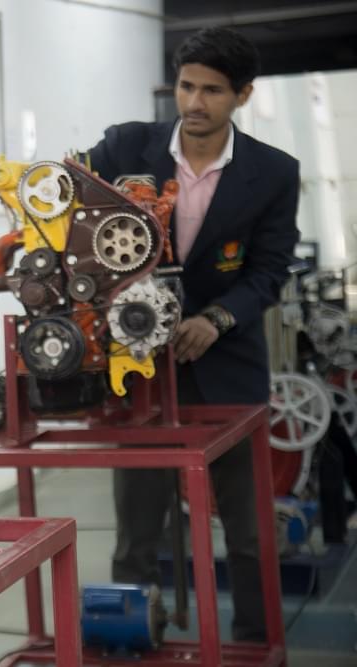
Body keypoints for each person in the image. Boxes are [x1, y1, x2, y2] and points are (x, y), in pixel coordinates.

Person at [88, 27, 300, 642]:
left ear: (243, 95)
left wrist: (217, 319)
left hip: (228, 365)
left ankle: (259, 642)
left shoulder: (273, 172)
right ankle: (123, 644)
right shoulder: (124, 148)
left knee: (249, 526)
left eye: (212, 90)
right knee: (135, 529)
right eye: (186, 86)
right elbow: (66, 216)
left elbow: (269, 271)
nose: (195, 102)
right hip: (139, 368)